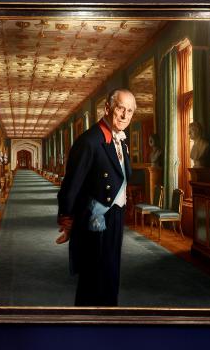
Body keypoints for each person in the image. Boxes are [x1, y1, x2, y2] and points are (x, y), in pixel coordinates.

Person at [56, 88, 135, 306]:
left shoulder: (122, 141)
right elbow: (71, 186)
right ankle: (86, 324)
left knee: (110, 273)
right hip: (95, 220)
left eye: (130, 111)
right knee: (94, 277)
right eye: (120, 108)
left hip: (115, 216)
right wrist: (67, 222)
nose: (124, 115)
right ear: (107, 108)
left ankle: (108, 322)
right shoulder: (89, 141)